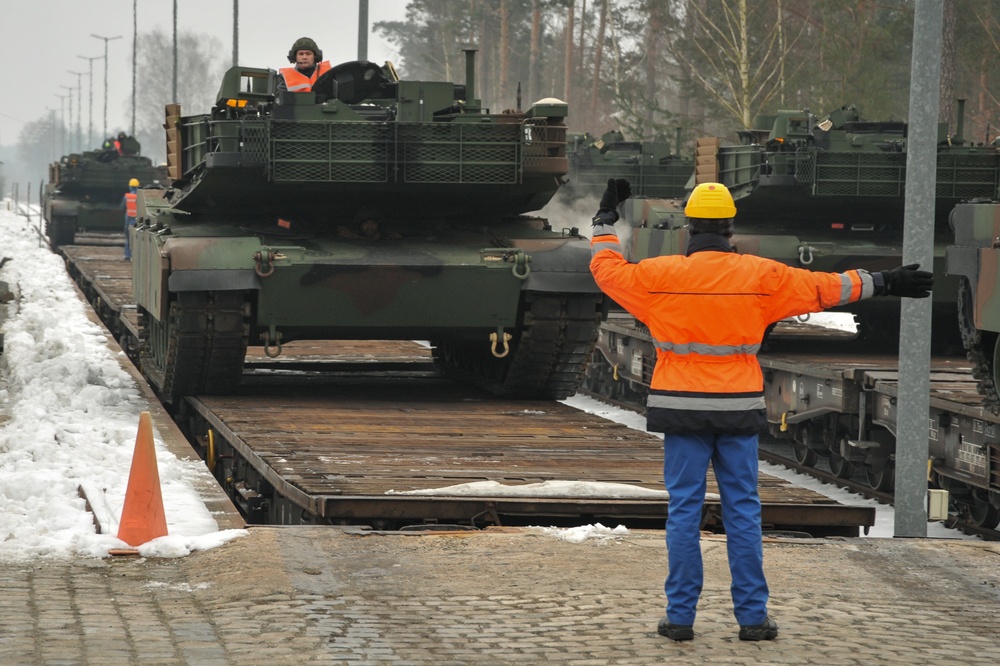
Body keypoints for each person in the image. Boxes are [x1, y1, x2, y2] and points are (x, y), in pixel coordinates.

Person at [588, 179, 932, 642]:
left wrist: (604, 222)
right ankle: (752, 618)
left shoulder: (657, 275)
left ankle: (680, 619)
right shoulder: (761, 276)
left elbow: (606, 270)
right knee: (744, 512)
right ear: (731, 227)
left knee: (684, 512)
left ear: (689, 227)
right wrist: (887, 281)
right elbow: (826, 288)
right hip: (737, 409)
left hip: (680, 409)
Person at [122, 178, 139, 260]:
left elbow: (122, 207)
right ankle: (135, 256)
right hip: (137, 221)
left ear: (130, 186)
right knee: (136, 239)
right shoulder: (140, 197)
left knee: (128, 239)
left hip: (128, 220)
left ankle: (127, 256)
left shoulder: (127, 196)